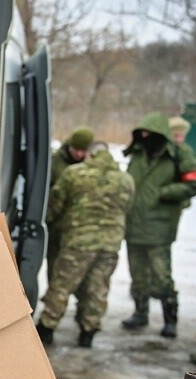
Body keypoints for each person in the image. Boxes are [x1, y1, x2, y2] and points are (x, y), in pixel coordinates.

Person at [35, 141, 134, 348]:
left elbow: (55, 205)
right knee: (97, 288)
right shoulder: (126, 180)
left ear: (89, 155)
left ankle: (47, 329)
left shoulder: (74, 174)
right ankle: (88, 332)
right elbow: (127, 207)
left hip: (78, 242)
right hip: (110, 244)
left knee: (62, 286)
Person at [120, 112, 196, 338]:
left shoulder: (178, 153)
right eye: (142, 133)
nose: (144, 137)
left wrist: (163, 193)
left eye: (149, 133)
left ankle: (170, 319)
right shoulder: (137, 153)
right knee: (137, 273)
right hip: (134, 223)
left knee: (161, 275)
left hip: (160, 226)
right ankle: (140, 312)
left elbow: (195, 183)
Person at [47, 126, 95, 285]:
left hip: (81, 229)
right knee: (55, 270)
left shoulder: (93, 166)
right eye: (76, 149)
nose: (79, 154)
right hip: (57, 226)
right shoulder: (55, 162)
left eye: (83, 150)